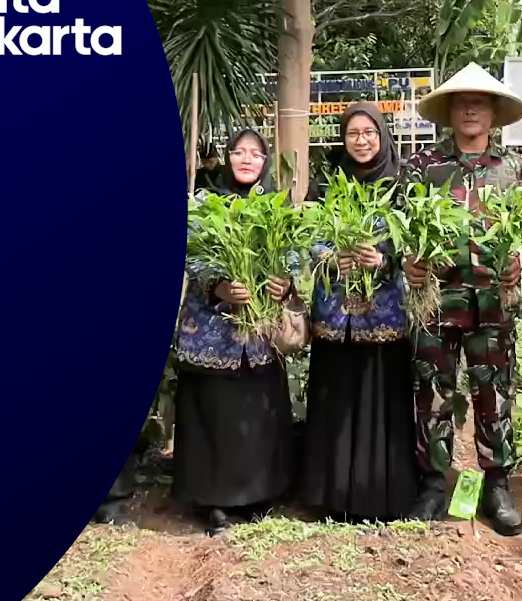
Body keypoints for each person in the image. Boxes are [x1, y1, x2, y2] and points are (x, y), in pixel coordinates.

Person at [400, 62, 522, 536]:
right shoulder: (422, 167)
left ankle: (497, 485)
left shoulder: (516, 169)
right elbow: (399, 230)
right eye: (462, 101)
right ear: (450, 112)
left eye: (479, 101)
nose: (471, 108)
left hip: (493, 307)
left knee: (494, 395)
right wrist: (408, 262)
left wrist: (521, 256)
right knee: (432, 396)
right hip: (437, 304)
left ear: (495, 113)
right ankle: (433, 483)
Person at [175, 128, 300, 535]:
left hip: (259, 334)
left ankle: (260, 494)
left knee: (257, 413)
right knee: (216, 414)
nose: (247, 160)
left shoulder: (275, 207)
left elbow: (293, 256)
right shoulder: (205, 202)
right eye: (239, 153)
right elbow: (189, 254)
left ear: (265, 163)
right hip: (213, 331)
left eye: (256, 154)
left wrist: (284, 284)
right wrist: (218, 287)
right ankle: (214, 502)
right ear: (228, 158)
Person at [300, 102, 417, 521]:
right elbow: (307, 236)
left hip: (384, 315)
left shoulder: (402, 183)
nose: (362, 140)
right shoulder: (328, 182)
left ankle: (379, 497)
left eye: (369, 132)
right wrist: (329, 257)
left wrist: (383, 260)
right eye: (353, 133)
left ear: (382, 135)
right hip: (336, 316)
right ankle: (332, 496)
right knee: (337, 396)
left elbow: (416, 240)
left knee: (380, 397)